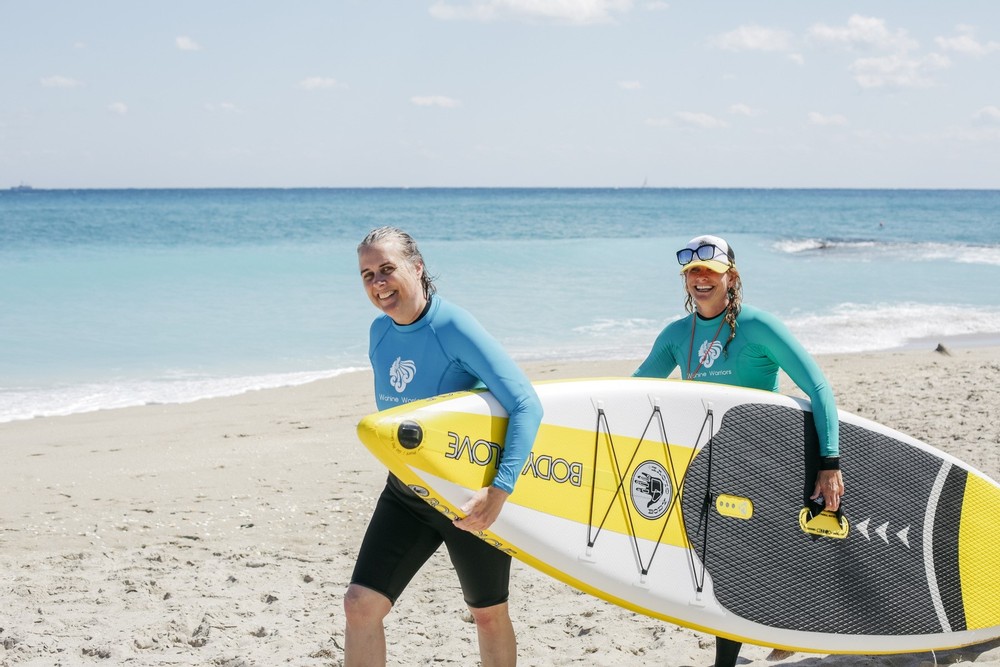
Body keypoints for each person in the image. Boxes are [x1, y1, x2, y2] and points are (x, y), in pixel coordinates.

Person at [633, 235, 845, 667]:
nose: (701, 279)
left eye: (711, 270)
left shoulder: (759, 327)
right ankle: (762, 638)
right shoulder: (676, 335)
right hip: (711, 463)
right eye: (693, 272)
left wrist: (829, 462)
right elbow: (636, 390)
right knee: (728, 562)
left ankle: (775, 632)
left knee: (760, 556)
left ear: (731, 276)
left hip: (767, 458)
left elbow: (818, 387)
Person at [345, 226, 543, 667]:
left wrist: (499, 490)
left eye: (387, 269)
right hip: (407, 492)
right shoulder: (379, 334)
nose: (378, 283)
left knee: (488, 615)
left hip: (464, 499)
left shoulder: (453, 326)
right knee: (360, 605)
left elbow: (527, 404)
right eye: (367, 274)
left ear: (417, 268)